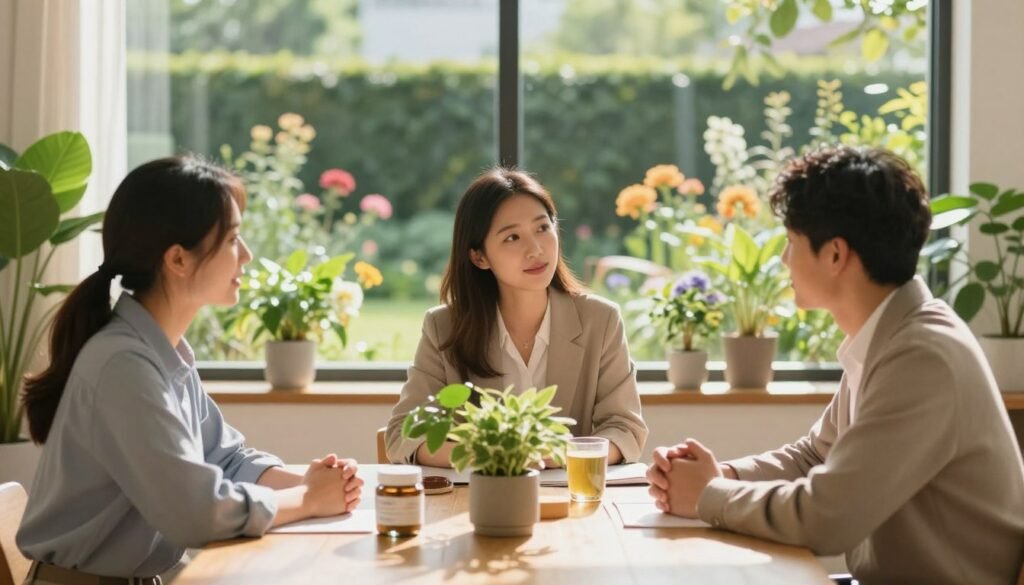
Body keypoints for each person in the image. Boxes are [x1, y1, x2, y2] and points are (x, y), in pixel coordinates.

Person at [646, 146, 1024, 585]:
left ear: (835, 255)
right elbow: (816, 455)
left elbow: (827, 518)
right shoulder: (890, 333)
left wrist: (709, 495)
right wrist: (721, 475)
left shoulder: (923, 356)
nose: (784, 261)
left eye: (791, 243)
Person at [17, 156, 363, 584]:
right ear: (178, 259)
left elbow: (224, 458)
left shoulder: (162, 352)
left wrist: (320, 484)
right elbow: (197, 514)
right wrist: (308, 499)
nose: (248, 256)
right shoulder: (123, 365)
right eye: (234, 239)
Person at [386, 168, 648, 467]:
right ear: (479, 257)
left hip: (572, 501)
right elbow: (403, 434)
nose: (535, 249)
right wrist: (495, 459)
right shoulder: (444, 327)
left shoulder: (600, 320)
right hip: (477, 503)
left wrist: (546, 456)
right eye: (512, 237)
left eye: (542, 228)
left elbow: (625, 429)